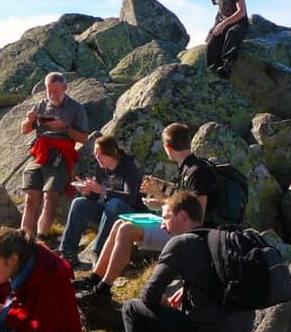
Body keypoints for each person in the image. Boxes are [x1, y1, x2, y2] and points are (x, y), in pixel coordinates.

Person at [118, 192, 255, 332]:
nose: (162, 225)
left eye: (165, 217)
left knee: (132, 309)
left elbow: (148, 296)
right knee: (191, 306)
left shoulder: (180, 243)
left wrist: (162, 301)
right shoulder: (217, 239)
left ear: (182, 216)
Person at [75, 123, 217, 310]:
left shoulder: (196, 171)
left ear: (167, 147)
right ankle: (94, 278)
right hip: (174, 225)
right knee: (120, 224)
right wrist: (160, 203)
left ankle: (103, 290)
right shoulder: (187, 168)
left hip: (187, 235)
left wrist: (160, 196)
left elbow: (196, 215)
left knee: (126, 230)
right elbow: (182, 206)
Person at [20, 72, 90, 244]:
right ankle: (23, 240)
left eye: (56, 91)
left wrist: (65, 128)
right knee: (30, 198)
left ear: (65, 88)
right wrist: (29, 120)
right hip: (40, 154)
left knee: (49, 196)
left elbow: (83, 138)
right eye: (49, 91)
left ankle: (41, 239)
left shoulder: (75, 108)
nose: (52, 95)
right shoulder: (41, 105)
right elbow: (25, 130)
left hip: (60, 155)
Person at [58, 135, 146, 266]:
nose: (97, 157)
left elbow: (130, 197)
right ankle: (67, 252)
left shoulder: (128, 166)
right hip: (109, 213)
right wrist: (88, 191)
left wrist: (102, 190)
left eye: (100, 154)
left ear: (111, 153)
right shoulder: (101, 168)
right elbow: (95, 197)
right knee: (78, 204)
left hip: (131, 214)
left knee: (114, 203)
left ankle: (98, 251)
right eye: (95, 154)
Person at [204, 0, 248, 79]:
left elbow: (241, 12)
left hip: (239, 22)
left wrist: (224, 24)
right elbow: (220, 8)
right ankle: (213, 72)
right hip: (222, 22)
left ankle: (226, 68)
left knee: (232, 34)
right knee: (211, 43)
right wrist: (215, 26)